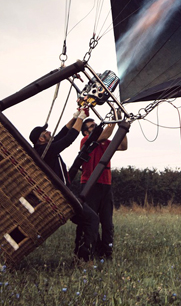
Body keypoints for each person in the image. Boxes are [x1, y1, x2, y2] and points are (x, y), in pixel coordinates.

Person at [30, 110, 99, 262]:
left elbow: (62, 132)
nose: (49, 132)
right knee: (92, 219)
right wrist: (81, 118)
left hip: (62, 194)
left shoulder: (43, 149)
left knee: (85, 220)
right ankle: (84, 258)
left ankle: (80, 254)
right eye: (46, 132)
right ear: (42, 138)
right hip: (61, 196)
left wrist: (77, 115)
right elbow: (68, 139)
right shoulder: (44, 151)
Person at [75, 118, 127, 260]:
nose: (95, 127)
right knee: (91, 220)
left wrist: (123, 128)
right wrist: (116, 121)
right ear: (86, 132)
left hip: (105, 185)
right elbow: (104, 135)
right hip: (89, 185)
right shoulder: (86, 141)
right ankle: (90, 252)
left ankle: (106, 253)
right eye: (92, 126)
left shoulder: (105, 142)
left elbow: (123, 146)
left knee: (107, 222)